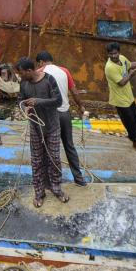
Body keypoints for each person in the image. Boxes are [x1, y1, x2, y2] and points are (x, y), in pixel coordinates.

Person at [16, 57, 67, 207]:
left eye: (21, 73)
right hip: (35, 127)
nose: (20, 76)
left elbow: (58, 101)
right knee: (37, 160)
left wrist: (39, 101)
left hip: (52, 126)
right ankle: (39, 192)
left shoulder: (49, 80)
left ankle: (56, 188)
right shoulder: (24, 83)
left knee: (54, 158)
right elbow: (20, 100)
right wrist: (24, 108)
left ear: (29, 71)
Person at [35, 50, 87, 186]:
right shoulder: (65, 71)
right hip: (65, 114)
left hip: (50, 116)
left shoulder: (40, 72)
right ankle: (79, 179)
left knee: (50, 149)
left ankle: (51, 182)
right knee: (69, 145)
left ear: (40, 62)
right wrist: (81, 107)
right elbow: (74, 92)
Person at [104, 41, 136, 155]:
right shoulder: (110, 67)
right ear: (108, 54)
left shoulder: (122, 58)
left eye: (115, 53)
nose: (113, 56)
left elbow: (131, 64)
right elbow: (121, 82)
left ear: (119, 52)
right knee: (130, 123)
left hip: (128, 96)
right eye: (110, 54)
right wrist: (130, 74)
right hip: (120, 100)